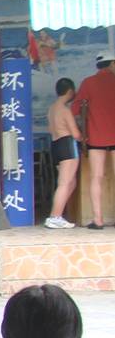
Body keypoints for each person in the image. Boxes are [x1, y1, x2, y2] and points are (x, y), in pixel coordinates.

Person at [72, 55, 115, 229]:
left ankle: (98, 220)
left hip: (96, 138)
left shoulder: (88, 82)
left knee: (96, 177)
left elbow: (75, 109)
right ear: (112, 64)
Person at [45, 77, 81, 229]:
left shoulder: (52, 109)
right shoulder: (65, 110)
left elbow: (50, 129)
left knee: (70, 183)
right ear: (71, 91)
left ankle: (58, 214)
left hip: (55, 145)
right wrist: (84, 136)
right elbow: (75, 134)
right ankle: (55, 216)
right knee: (65, 183)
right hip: (67, 145)